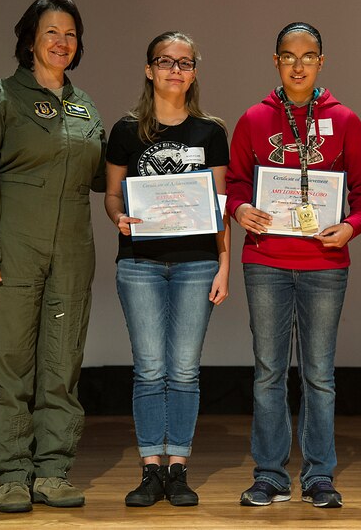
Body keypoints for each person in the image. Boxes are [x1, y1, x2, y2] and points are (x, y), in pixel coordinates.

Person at [0, 0, 105, 513]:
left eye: (70, 33)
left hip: (71, 253)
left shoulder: (85, 106)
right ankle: (12, 474)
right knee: (8, 365)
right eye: (51, 32)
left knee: (61, 363)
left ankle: (52, 471)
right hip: (11, 251)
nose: (61, 42)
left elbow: (103, 178)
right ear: (29, 39)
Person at [226, 22, 361, 509]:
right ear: (275, 61)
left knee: (319, 373)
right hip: (265, 259)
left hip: (324, 262)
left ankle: (318, 475)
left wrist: (350, 226)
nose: (298, 64)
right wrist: (240, 209)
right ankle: (269, 473)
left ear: (321, 62)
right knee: (268, 371)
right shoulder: (252, 118)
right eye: (288, 56)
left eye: (308, 56)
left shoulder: (346, 119)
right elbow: (238, 187)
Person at [104, 31, 230, 508]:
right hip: (139, 263)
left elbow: (220, 204)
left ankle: (178, 467)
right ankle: (149, 470)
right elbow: (113, 194)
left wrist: (224, 266)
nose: (175, 70)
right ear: (149, 69)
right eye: (165, 61)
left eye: (185, 62)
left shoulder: (211, 131)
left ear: (194, 71)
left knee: (184, 370)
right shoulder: (125, 130)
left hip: (197, 263)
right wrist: (118, 216)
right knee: (149, 368)